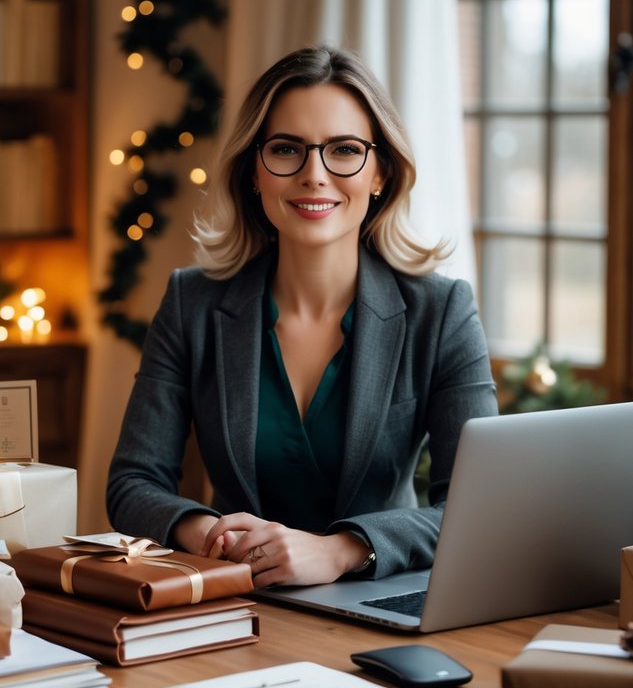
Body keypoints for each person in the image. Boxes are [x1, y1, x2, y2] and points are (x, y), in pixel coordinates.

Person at [106, 45, 497, 587]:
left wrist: (340, 550)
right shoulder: (190, 303)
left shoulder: (443, 311)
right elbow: (133, 482)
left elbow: (478, 508)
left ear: (380, 171)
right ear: (254, 172)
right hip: (234, 599)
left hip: (379, 603)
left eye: (344, 150)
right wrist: (211, 535)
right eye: (287, 149)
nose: (315, 175)